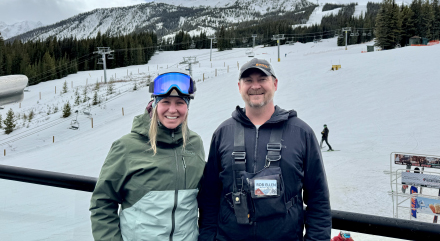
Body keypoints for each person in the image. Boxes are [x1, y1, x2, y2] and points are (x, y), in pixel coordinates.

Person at [198, 58, 331, 241]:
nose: (255, 86)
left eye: (262, 79)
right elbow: (210, 198)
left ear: (275, 84)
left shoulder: (301, 133)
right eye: (248, 80)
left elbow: (318, 199)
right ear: (239, 86)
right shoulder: (223, 133)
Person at [90, 70, 205, 241]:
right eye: (165, 102)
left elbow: (204, 199)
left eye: (180, 102)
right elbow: (103, 203)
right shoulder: (127, 146)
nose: (172, 110)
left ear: (187, 106)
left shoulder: (194, 144)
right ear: (154, 103)